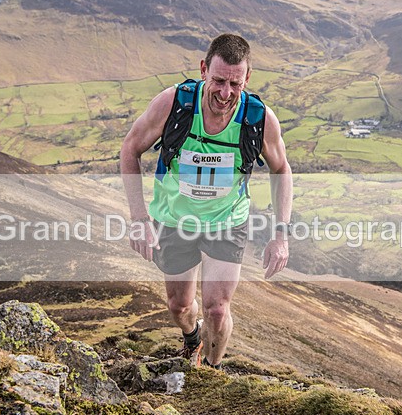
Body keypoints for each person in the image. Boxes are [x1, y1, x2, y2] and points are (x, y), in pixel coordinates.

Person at [120, 33, 292, 369]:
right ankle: (190, 337)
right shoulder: (174, 104)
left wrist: (281, 235)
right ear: (203, 70)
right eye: (218, 81)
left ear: (247, 79)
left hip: (227, 221)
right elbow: (130, 149)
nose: (226, 93)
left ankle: (212, 369)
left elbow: (281, 169)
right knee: (179, 307)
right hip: (174, 219)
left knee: (217, 308)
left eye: (235, 83)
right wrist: (140, 220)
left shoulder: (258, 118)